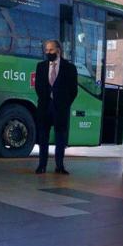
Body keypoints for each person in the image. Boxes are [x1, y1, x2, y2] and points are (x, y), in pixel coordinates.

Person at [34, 40, 77, 174]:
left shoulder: (69, 67)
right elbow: (38, 87)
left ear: (58, 50)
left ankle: (59, 166)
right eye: (46, 50)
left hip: (60, 109)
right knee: (43, 137)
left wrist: (64, 104)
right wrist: (45, 98)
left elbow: (73, 90)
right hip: (44, 107)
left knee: (60, 138)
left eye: (51, 50)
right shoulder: (40, 66)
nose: (48, 53)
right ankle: (42, 165)